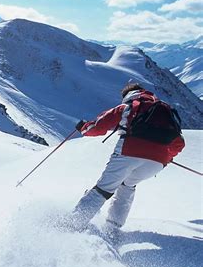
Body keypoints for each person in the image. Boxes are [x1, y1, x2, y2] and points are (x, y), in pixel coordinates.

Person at [70, 83, 185, 234]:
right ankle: (113, 229)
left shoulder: (129, 106)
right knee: (127, 185)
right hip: (157, 162)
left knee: (104, 189)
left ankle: (73, 224)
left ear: (128, 95)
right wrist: (165, 158)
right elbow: (179, 143)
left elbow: (98, 127)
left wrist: (83, 128)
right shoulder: (165, 111)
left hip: (129, 151)